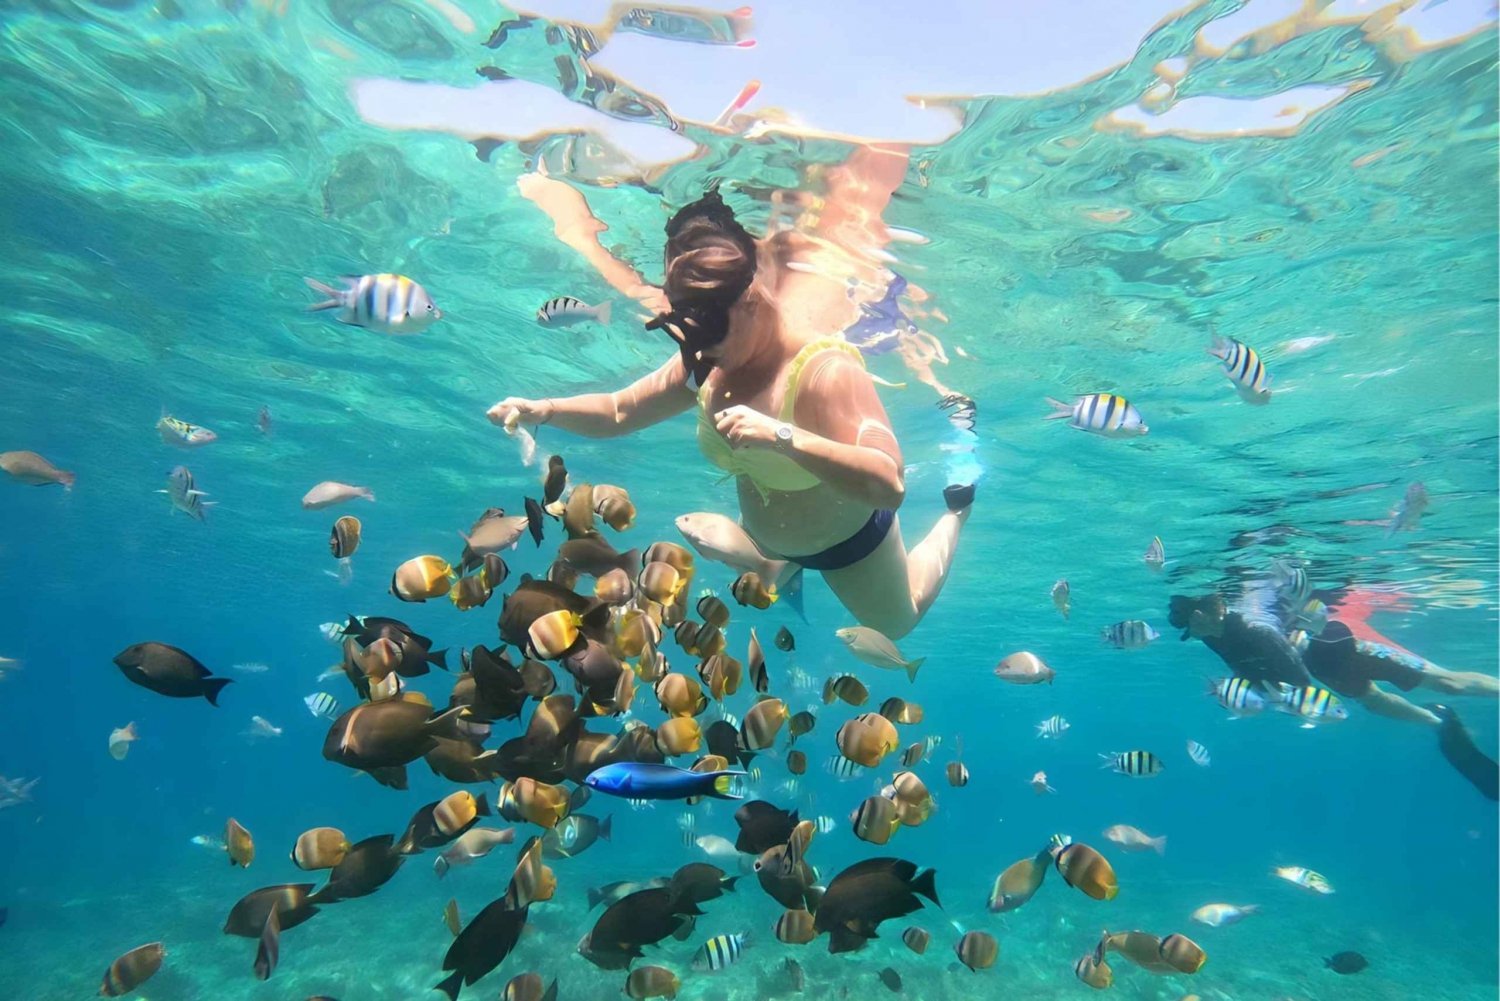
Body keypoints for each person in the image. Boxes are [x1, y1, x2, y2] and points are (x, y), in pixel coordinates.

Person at [489, 179, 972, 639]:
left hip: (852, 544)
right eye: (691, 337)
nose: (703, 354)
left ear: (752, 301)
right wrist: (545, 409)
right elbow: (620, 410)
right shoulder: (705, 359)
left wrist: (783, 437)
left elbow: (888, 484)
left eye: (712, 337)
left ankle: (959, 508)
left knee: (897, 624)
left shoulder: (822, 369)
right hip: (769, 545)